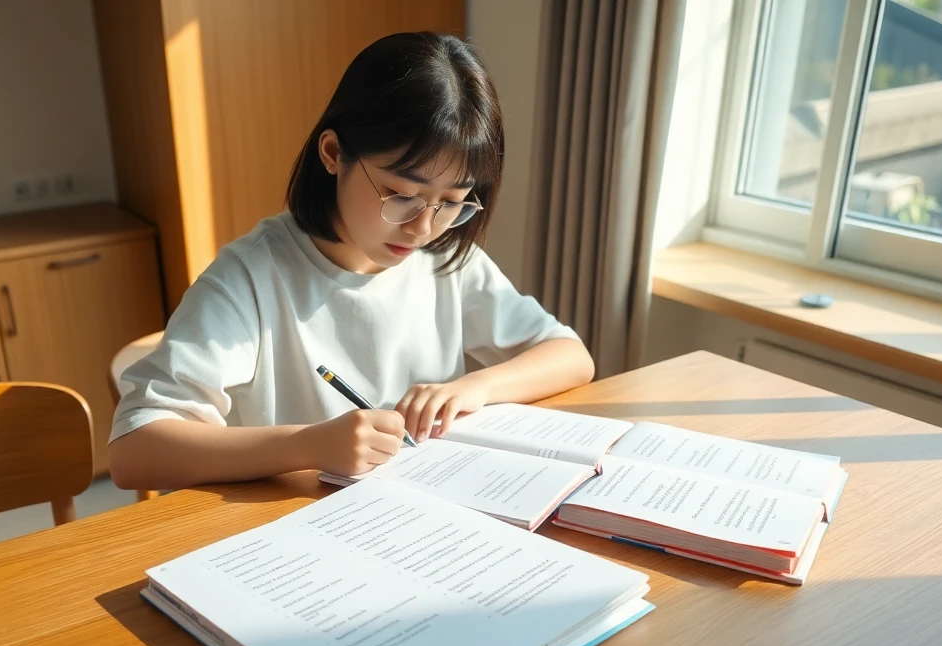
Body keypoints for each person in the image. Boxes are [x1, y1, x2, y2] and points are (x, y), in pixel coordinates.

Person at [108, 31, 594, 491]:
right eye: (402, 195)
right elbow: (133, 451)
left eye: (452, 202)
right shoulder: (251, 278)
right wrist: (306, 446)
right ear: (333, 153)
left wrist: (475, 387)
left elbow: (571, 356)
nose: (423, 228)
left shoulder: (446, 260)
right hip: (289, 528)